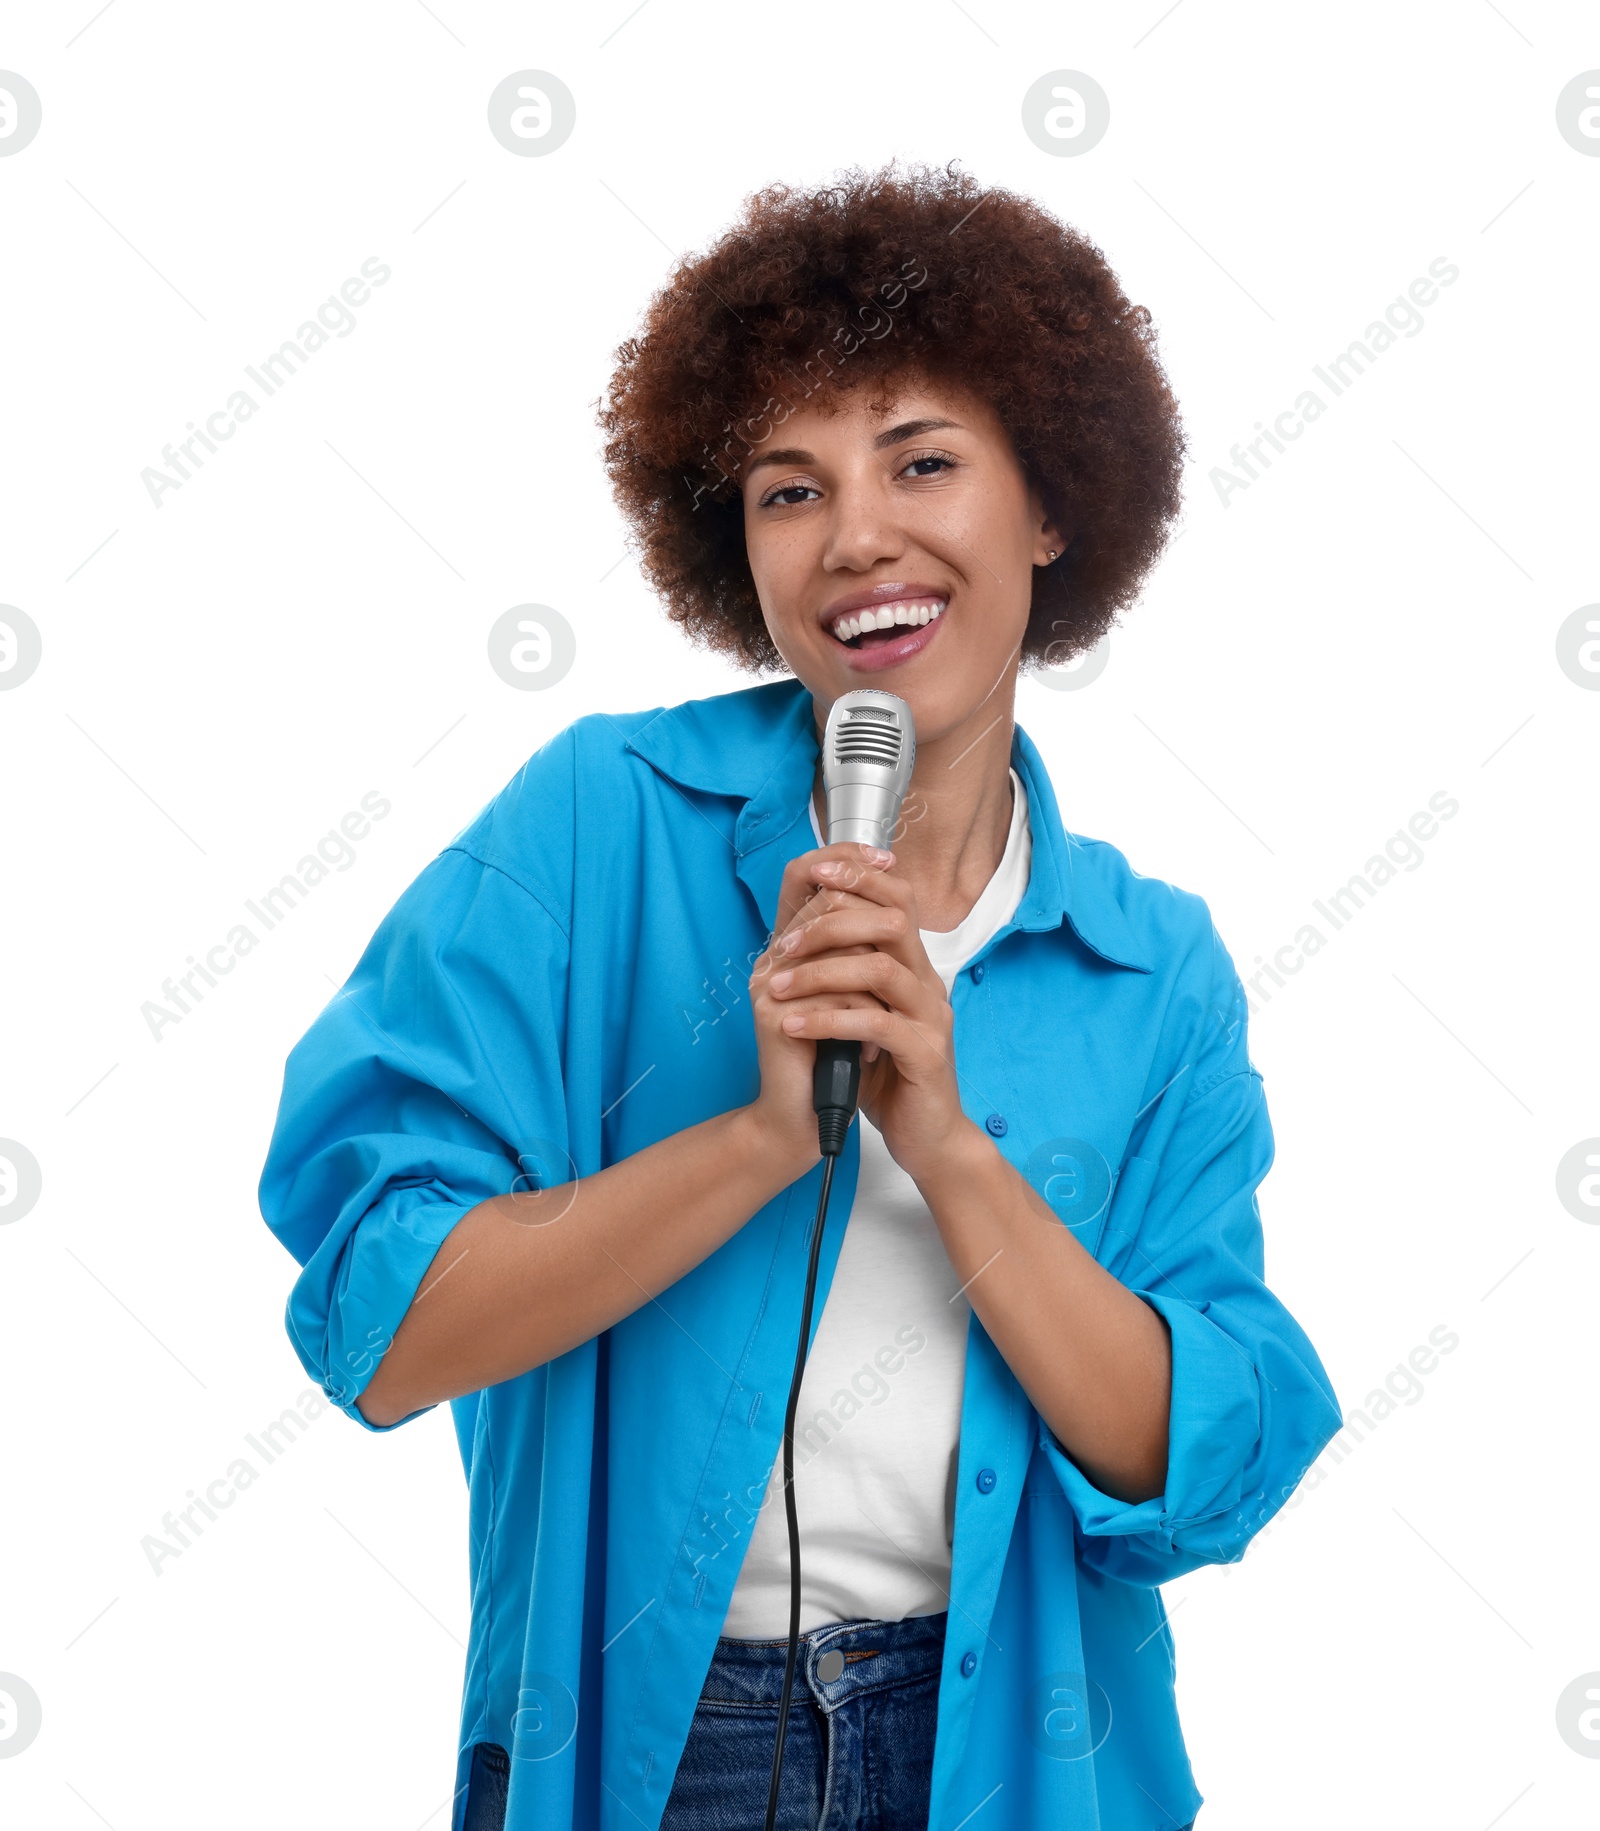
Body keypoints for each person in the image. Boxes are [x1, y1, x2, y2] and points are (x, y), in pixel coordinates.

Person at [258, 163, 1341, 1831]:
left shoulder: (1155, 967)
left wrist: (950, 1146)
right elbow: (378, 1327)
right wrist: (764, 1139)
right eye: (787, 488)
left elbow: (1187, 1472)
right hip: (652, 1743)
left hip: (1021, 1757)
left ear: (1052, 505)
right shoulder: (594, 825)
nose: (856, 541)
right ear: (732, 547)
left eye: (923, 462)